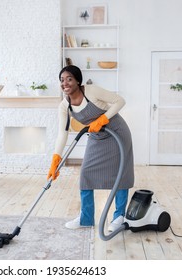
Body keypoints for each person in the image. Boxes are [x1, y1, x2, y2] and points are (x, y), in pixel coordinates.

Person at [47, 65, 134, 232]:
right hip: (96, 136)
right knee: (86, 173)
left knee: (121, 174)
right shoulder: (65, 106)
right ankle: (86, 218)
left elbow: (120, 101)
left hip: (116, 131)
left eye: (69, 79)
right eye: (62, 80)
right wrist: (56, 158)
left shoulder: (91, 91)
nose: (65, 83)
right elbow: (62, 133)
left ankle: (119, 217)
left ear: (78, 81)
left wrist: (102, 119)